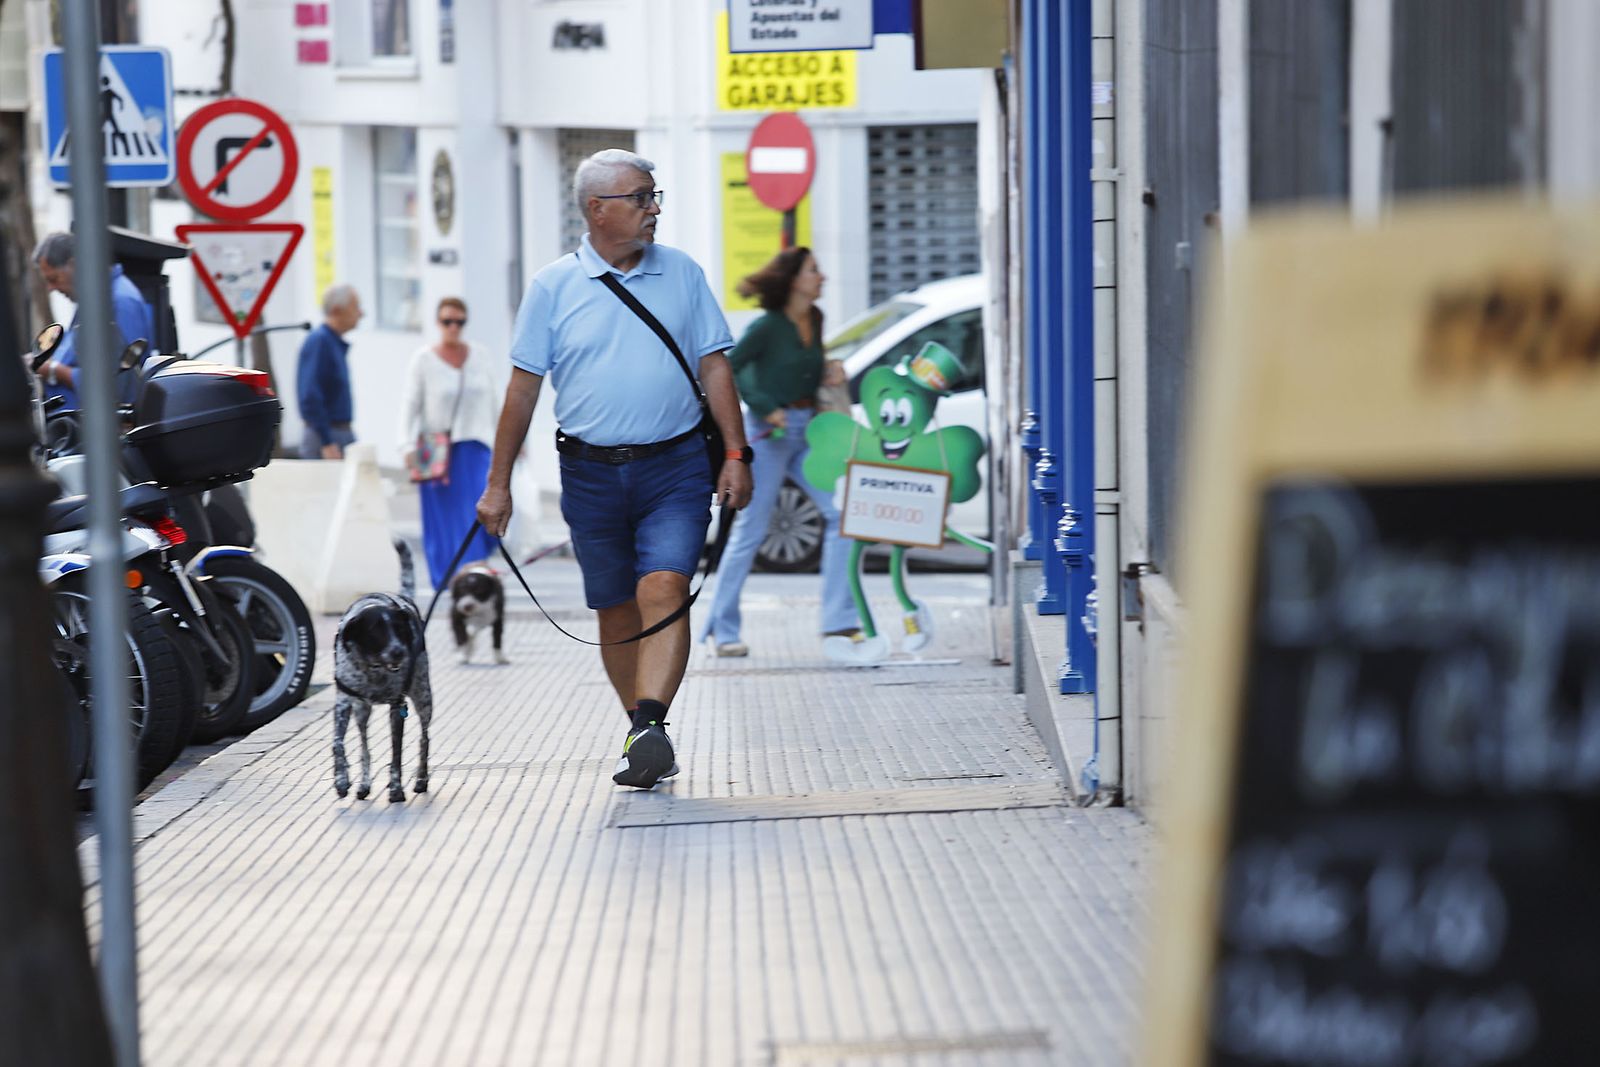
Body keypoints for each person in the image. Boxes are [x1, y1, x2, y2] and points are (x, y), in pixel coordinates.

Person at [477, 148, 752, 790]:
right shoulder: (552, 287)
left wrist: (735, 452)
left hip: (676, 465)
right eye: (642, 197)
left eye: (655, 197)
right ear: (599, 210)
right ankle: (642, 731)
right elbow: (523, 391)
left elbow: (715, 366)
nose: (655, 209)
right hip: (590, 473)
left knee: (663, 586)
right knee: (615, 610)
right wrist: (497, 485)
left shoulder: (682, 274)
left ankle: (651, 723)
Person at [698, 247, 858, 657]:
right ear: (793, 281)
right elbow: (728, 368)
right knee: (750, 530)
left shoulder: (815, 319)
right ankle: (723, 628)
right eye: (814, 270)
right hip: (767, 432)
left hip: (810, 431)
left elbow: (804, 367)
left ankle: (838, 621)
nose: (822, 277)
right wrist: (766, 407)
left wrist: (827, 370)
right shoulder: (767, 326)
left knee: (843, 514)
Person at [400, 296, 503, 590]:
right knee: (446, 521)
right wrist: (406, 447)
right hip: (439, 452)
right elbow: (410, 405)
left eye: (459, 322)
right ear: (438, 323)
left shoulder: (480, 355)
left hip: (476, 448)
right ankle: (459, 581)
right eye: (447, 322)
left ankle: (476, 574)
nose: (454, 328)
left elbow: (495, 401)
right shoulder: (423, 360)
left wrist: (509, 442)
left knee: (479, 512)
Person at [33, 231, 155, 411]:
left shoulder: (119, 302)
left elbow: (117, 383)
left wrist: (53, 370)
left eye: (54, 279)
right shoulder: (92, 299)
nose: (51, 288)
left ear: (74, 265)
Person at [297, 284, 362, 459]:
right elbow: (310, 396)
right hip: (326, 436)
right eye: (355, 307)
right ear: (336, 310)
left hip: (339, 432)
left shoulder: (332, 341)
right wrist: (326, 441)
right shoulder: (320, 341)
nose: (361, 313)